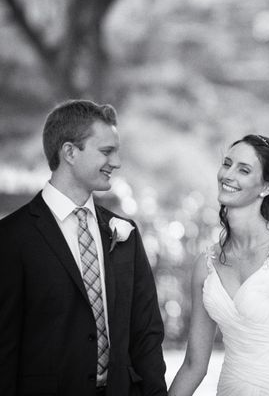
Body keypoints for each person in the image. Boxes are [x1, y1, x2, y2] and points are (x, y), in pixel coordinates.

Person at [0, 100, 166, 396]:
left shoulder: (125, 233)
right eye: (106, 151)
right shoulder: (11, 238)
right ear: (70, 152)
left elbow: (146, 335)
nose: (116, 162)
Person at [169, 134, 269, 396]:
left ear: (266, 187)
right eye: (227, 164)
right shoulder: (205, 265)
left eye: (244, 170)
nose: (228, 174)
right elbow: (194, 364)